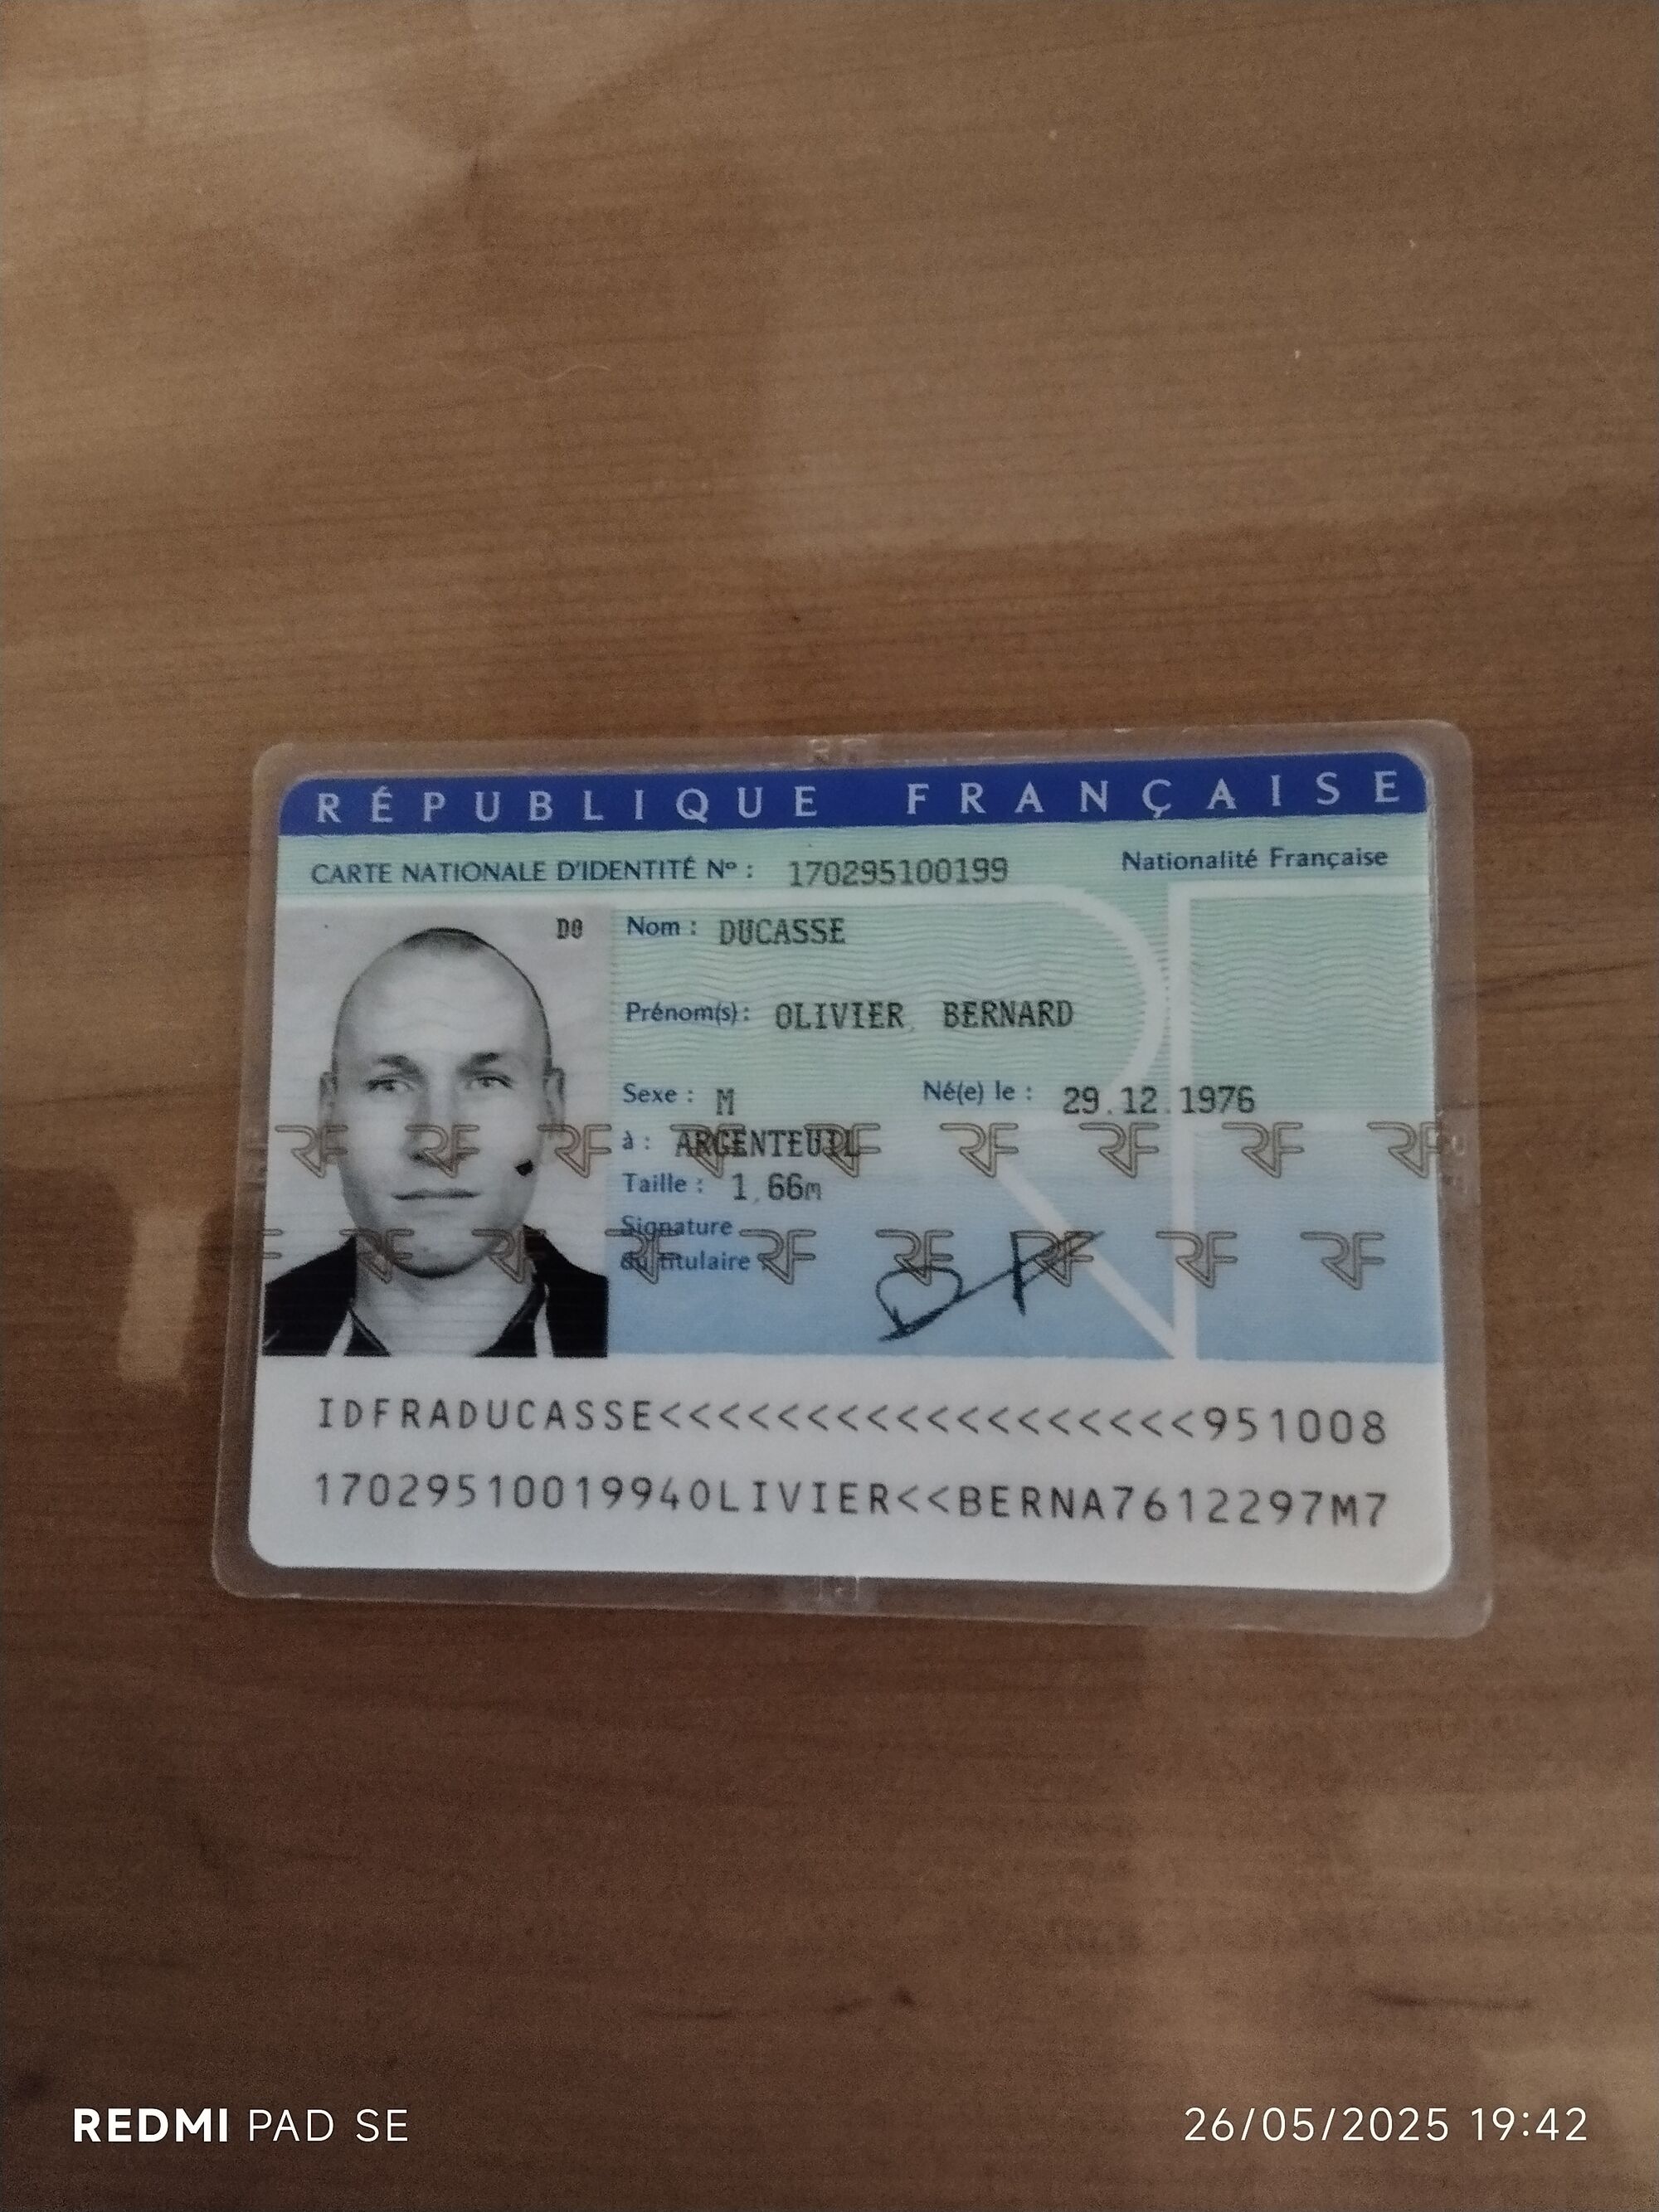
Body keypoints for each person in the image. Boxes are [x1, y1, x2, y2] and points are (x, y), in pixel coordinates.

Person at [262, 927, 607, 1356]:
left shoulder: (632, 1332)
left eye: (487, 1081)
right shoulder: (253, 1330)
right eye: (389, 1085)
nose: (438, 1144)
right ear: (328, 1114)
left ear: (553, 1111)